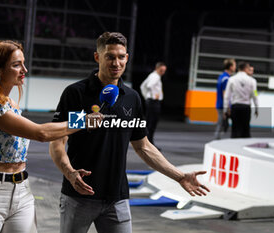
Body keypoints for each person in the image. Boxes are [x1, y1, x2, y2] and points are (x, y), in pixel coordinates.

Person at [49, 32, 210, 233]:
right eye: (110, 56)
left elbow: (143, 147)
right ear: (97, 57)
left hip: (117, 198)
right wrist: (69, 172)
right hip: (78, 197)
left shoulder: (132, 98)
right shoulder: (75, 93)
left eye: (121, 56)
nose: (116, 62)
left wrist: (179, 176)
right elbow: (57, 142)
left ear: (127, 57)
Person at [0, 40, 102, 233]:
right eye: (16, 65)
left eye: (23, 63)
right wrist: (82, 120)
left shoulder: (12, 104)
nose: (24, 69)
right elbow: (40, 133)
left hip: (22, 191)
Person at [224, 61, 259, 138]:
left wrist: (226, 109)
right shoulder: (252, 81)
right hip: (246, 107)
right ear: (246, 68)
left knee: (235, 129)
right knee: (245, 130)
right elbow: (255, 95)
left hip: (235, 107)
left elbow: (227, 96)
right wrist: (257, 108)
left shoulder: (231, 79)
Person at [140, 62, 167, 145]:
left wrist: (146, 97)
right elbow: (149, 86)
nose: (163, 72)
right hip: (154, 102)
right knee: (152, 124)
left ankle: (148, 142)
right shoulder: (155, 76)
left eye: (164, 70)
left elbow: (142, 86)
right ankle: (150, 143)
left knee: (149, 123)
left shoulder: (152, 75)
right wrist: (152, 96)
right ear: (157, 68)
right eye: (161, 70)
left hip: (150, 101)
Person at [214, 58, 236, 139]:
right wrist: (227, 108)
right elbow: (225, 94)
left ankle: (218, 140)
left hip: (219, 104)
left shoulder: (221, 76)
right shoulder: (226, 79)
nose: (235, 67)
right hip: (223, 105)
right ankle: (216, 142)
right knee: (221, 126)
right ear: (230, 67)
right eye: (234, 65)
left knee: (222, 125)